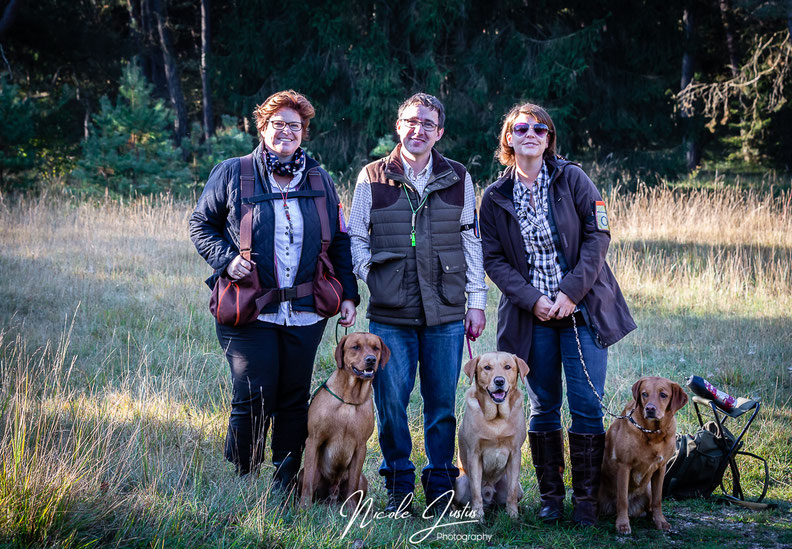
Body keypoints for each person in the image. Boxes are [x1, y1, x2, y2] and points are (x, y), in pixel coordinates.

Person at [189, 90, 359, 491]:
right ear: (262, 127)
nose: (286, 131)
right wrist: (227, 259)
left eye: (294, 126)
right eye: (278, 124)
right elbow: (201, 225)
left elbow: (339, 240)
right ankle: (243, 474)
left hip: (305, 309)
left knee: (293, 394)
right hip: (248, 307)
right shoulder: (234, 172)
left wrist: (349, 293)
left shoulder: (319, 179)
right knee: (254, 391)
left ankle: (285, 481)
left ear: (304, 132)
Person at [478, 103, 636, 526]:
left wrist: (569, 292)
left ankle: (586, 503)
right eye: (521, 128)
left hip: (582, 309)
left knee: (586, 406)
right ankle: (551, 497)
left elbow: (598, 235)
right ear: (508, 139)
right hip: (531, 317)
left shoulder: (573, 179)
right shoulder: (494, 198)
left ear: (549, 138)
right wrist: (533, 299)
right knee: (543, 405)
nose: (531, 133)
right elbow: (493, 260)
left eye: (540, 128)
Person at [349, 93, 487, 512]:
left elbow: (471, 240)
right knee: (391, 404)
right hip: (390, 315)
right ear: (398, 126)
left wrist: (476, 301)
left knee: (441, 405)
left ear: (439, 132)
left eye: (428, 124)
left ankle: (442, 487)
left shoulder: (458, 176)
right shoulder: (372, 176)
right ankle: (397, 488)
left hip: (445, 312)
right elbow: (356, 235)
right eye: (411, 121)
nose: (418, 130)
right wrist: (370, 273)